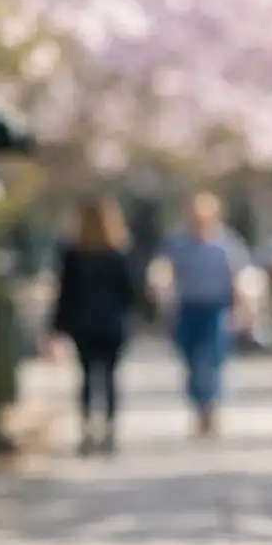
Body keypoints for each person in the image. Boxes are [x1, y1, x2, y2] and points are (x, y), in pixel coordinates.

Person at [50, 197, 138, 456]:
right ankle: (109, 430)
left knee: (87, 376)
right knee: (109, 377)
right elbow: (129, 293)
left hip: (83, 324)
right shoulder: (118, 253)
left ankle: (88, 429)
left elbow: (65, 294)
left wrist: (57, 326)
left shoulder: (73, 255)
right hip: (112, 323)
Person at [158, 191, 249, 436]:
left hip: (215, 308)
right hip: (187, 307)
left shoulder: (226, 243)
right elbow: (165, 270)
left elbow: (237, 277)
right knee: (190, 360)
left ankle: (210, 406)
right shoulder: (177, 243)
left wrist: (242, 309)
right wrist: (162, 293)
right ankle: (199, 404)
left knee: (210, 360)